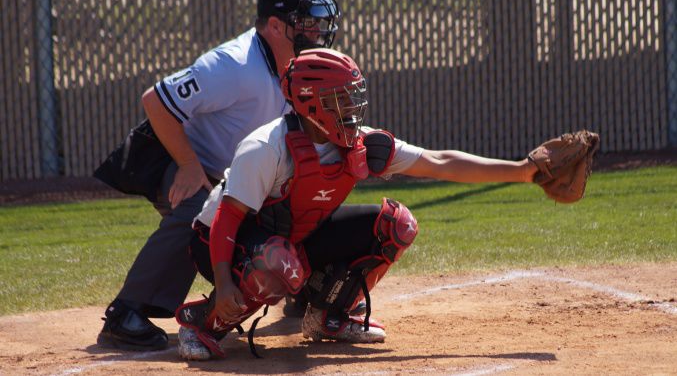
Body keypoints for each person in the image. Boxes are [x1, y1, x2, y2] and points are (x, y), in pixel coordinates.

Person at [174, 48, 541, 360]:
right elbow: (227, 217)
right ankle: (203, 325)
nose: (351, 106)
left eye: (351, 95)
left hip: (290, 239)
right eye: (340, 98)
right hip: (217, 243)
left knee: (396, 224)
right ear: (309, 102)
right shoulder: (266, 147)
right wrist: (223, 283)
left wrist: (524, 172)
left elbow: (439, 161)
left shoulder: (359, 142)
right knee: (278, 262)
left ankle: (328, 316)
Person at [96, 0, 341, 351]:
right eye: (307, 22)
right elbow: (155, 101)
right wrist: (188, 164)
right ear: (275, 26)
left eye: (319, 22)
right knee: (198, 208)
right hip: (175, 156)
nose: (318, 31)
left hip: (230, 171)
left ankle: (306, 289)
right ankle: (125, 313)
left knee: (292, 196)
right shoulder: (233, 64)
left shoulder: (296, 65)